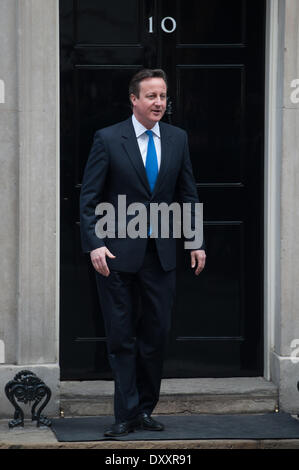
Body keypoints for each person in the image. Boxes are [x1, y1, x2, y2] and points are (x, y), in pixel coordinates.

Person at [80, 69, 206, 437]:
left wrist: (195, 240)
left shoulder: (178, 139)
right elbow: (89, 199)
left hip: (161, 255)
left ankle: (145, 409)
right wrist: (94, 243)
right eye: (151, 96)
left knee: (156, 334)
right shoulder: (107, 139)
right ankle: (126, 413)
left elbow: (188, 193)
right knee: (121, 337)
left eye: (163, 96)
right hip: (116, 255)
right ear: (134, 99)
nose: (159, 103)